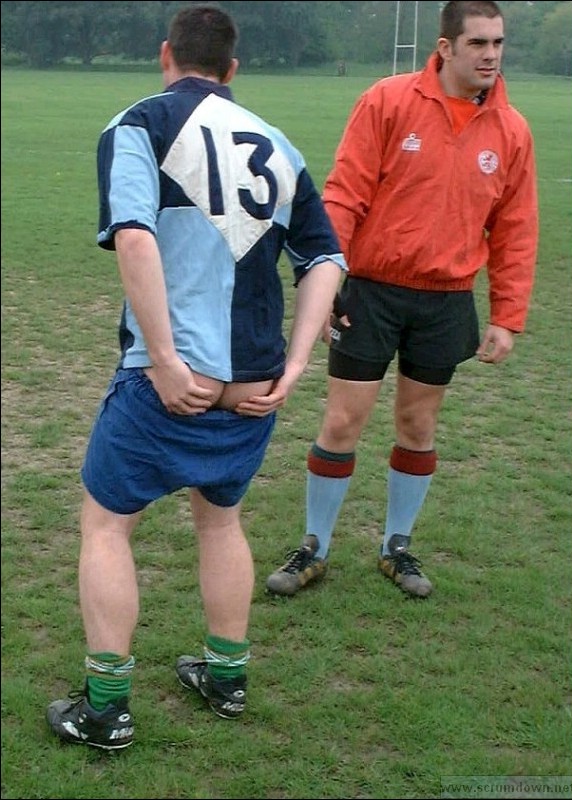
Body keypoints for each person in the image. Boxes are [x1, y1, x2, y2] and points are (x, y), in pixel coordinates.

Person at [46, 3, 346, 750]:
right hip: (254, 386)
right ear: (232, 69)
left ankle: (107, 708)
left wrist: (168, 358)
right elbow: (326, 261)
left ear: (165, 55)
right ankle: (225, 678)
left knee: (107, 524)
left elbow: (135, 237)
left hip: (167, 382)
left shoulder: (139, 123)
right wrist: (298, 361)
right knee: (220, 520)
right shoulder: (277, 143)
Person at [266, 0, 538, 599]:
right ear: (445, 48)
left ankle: (397, 546)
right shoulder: (387, 101)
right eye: (478, 44)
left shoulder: (512, 130)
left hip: (445, 301)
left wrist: (507, 316)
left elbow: (516, 228)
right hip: (371, 292)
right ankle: (315, 545)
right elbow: (344, 194)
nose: (491, 54)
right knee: (342, 421)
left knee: (418, 423)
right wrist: (328, 274)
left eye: (498, 43)